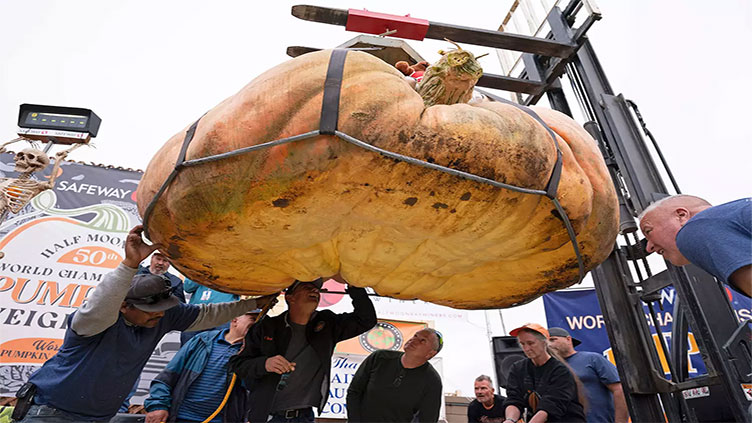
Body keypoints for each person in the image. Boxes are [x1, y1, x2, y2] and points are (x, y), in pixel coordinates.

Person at [14, 225, 273, 422]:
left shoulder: (162, 316)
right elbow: (102, 301)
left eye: (163, 309)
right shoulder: (95, 322)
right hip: (51, 412)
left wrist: (254, 304)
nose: (159, 315)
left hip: (100, 417)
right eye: (151, 310)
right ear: (124, 306)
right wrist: (129, 264)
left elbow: (208, 314)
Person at [229, 276, 377, 423]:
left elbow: (366, 320)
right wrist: (265, 364)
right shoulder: (266, 327)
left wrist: (353, 286)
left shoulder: (328, 324)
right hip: (268, 415)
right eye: (306, 286)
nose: (314, 290)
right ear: (290, 297)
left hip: (304, 416)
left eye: (317, 288)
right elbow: (237, 364)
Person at [144, 309, 263, 423]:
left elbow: (252, 391)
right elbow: (166, 378)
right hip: (181, 418)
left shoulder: (253, 354)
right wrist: (158, 406)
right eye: (253, 319)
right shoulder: (202, 340)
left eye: (261, 321)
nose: (257, 324)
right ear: (235, 320)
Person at [638, 195, 751, 296]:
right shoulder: (739, 211)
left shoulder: (694, 229)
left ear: (681, 215)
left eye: (648, 231)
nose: (649, 247)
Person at [346, 328, 443, 422]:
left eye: (422, 340)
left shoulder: (432, 381)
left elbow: (428, 418)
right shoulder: (379, 358)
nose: (414, 340)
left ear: (430, 354)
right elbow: (354, 391)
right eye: (415, 336)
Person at [502, 323, 585, 423]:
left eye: (531, 343)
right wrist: (509, 420)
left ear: (544, 342)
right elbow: (514, 399)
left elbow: (550, 405)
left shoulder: (559, 370)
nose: (526, 348)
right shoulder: (517, 368)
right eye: (522, 344)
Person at [547, 327, 628, 423]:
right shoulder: (551, 368)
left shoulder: (593, 359)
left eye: (553, 340)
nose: (550, 345)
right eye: (546, 342)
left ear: (568, 339)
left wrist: (620, 421)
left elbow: (619, 390)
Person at [180, 278, 240, 345]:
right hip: (197, 314)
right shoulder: (198, 268)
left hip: (222, 314)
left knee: (218, 348)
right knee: (188, 347)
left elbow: (240, 286)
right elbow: (188, 287)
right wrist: (201, 272)